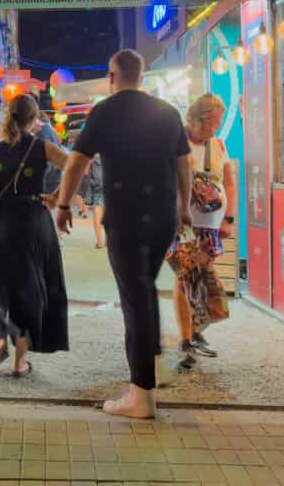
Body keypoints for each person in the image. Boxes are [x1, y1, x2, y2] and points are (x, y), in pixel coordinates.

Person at [55, 49, 192, 419]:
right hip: (162, 217)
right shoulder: (167, 112)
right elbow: (184, 164)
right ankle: (153, 365)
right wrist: (184, 207)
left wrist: (64, 205)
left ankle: (141, 396)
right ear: (142, 76)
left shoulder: (104, 112)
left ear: (112, 76)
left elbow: (77, 162)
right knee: (144, 288)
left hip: (126, 218)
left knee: (135, 299)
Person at [0, 94, 70, 377]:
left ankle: (0, 339)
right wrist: (57, 197)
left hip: (2, 221)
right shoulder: (43, 147)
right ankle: (19, 362)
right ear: (34, 120)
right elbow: (75, 166)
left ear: (8, 116)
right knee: (27, 289)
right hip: (34, 221)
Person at [167, 94, 235, 370]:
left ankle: (194, 333)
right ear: (197, 120)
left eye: (218, 123)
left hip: (211, 227)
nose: (216, 128)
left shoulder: (218, 145)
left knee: (202, 282)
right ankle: (186, 340)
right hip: (184, 227)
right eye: (213, 123)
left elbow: (229, 183)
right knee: (185, 279)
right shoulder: (176, 142)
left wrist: (228, 219)